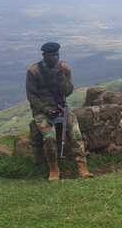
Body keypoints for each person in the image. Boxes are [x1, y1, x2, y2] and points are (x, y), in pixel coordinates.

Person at [26, 42, 93, 181]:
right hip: (42, 111)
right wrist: (45, 109)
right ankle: (54, 169)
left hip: (61, 107)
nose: (55, 58)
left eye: (57, 55)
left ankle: (82, 167)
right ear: (44, 56)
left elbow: (68, 91)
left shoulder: (64, 68)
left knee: (76, 134)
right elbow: (31, 96)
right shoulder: (33, 71)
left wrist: (61, 76)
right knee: (49, 138)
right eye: (51, 55)